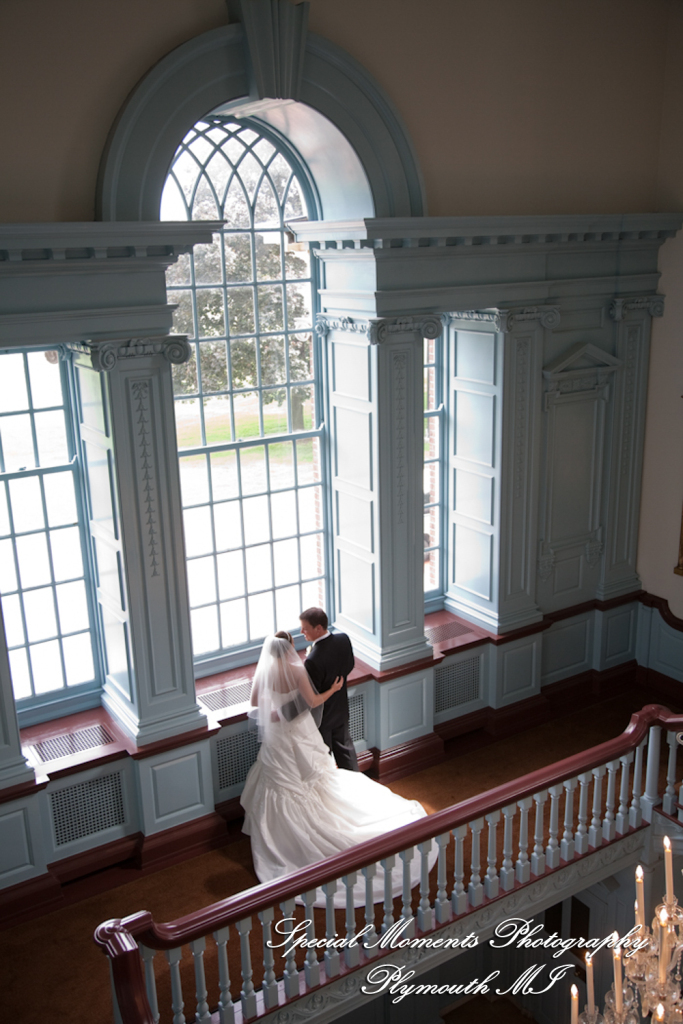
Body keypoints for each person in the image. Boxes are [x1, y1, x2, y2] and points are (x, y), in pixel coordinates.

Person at [240, 631, 435, 905]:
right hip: (298, 732)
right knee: (316, 777)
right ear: (290, 648)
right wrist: (332, 690)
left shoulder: (264, 675)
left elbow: (253, 705)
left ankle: (278, 836)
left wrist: (275, 713)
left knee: (278, 780)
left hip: (277, 739)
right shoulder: (297, 671)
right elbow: (312, 702)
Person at [299, 607, 358, 771]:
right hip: (340, 709)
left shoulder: (312, 660)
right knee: (346, 753)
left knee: (323, 761)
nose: (301, 631)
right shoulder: (343, 639)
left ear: (318, 628)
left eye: (305, 628)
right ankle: (358, 787)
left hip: (322, 719)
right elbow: (350, 665)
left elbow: (312, 695)